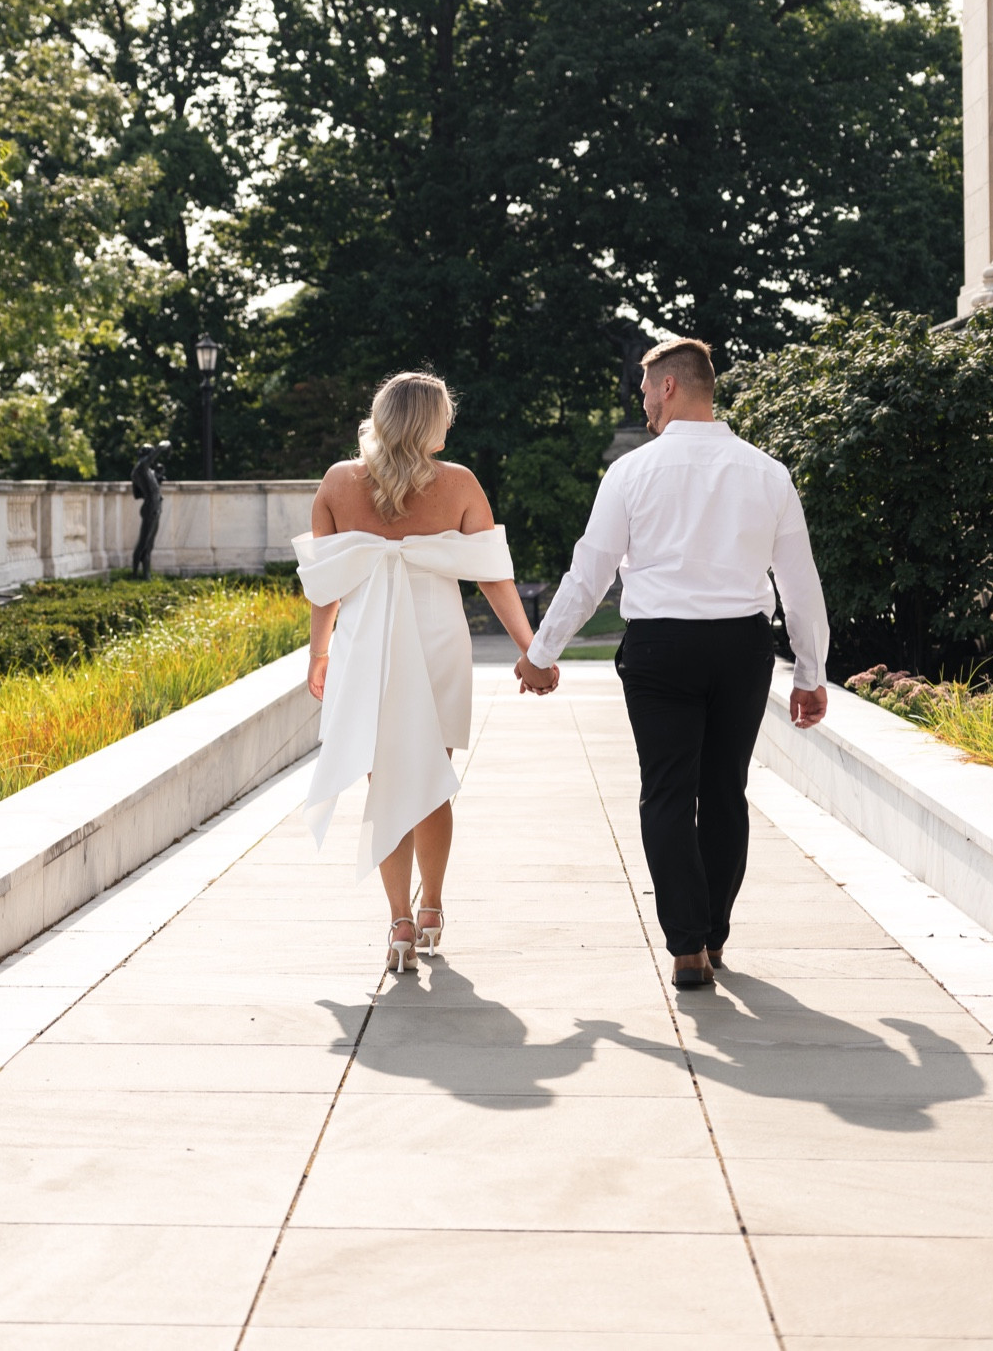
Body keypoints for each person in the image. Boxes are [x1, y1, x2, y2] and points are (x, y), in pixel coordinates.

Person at [518, 337, 828, 989]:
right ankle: (712, 935)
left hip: (660, 648)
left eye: (644, 389)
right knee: (724, 793)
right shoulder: (766, 472)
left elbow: (591, 572)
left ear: (669, 387)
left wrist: (542, 653)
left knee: (665, 792)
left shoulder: (631, 473)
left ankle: (686, 946)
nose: (643, 403)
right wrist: (810, 671)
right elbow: (799, 582)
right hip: (741, 647)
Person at [295, 371, 558, 975]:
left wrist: (320, 652)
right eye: (445, 415)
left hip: (366, 647)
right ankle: (433, 906)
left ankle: (399, 921)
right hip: (437, 639)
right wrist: (532, 649)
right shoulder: (459, 483)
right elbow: (494, 575)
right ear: (429, 423)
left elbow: (325, 584)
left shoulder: (339, 482)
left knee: (382, 776)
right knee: (431, 776)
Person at [130, 440, 170, 579]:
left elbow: (151, 487)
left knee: (149, 543)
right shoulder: (141, 467)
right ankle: (136, 573)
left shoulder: (147, 471)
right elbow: (150, 459)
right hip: (150, 507)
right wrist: (161, 446)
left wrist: (158, 477)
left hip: (155, 507)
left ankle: (146, 573)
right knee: (143, 542)